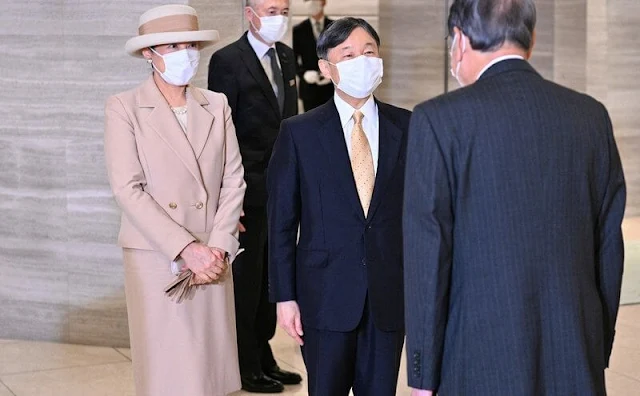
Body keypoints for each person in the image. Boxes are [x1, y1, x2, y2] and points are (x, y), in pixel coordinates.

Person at [403, 1, 627, 395]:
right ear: (532, 38)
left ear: (459, 39)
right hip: (574, 353)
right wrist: (594, 344)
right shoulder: (590, 116)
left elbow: (428, 255)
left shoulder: (438, 120)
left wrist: (423, 372)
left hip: (476, 358)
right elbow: (609, 245)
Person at [104, 4, 246, 396]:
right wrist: (186, 248)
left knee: (211, 368)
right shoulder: (125, 107)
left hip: (215, 254)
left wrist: (216, 248)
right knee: (169, 370)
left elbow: (233, 179)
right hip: (157, 253)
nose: (184, 54)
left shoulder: (216, 103)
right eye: (171, 45)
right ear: (149, 54)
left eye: (190, 44)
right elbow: (127, 188)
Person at [268, 17, 412, 396]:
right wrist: (285, 297)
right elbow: (282, 222)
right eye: (347, 54)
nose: (361, 61)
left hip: (388, 298)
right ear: (326, 68)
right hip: (323, 297)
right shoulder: (299, 133)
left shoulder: (409, 127)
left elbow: (421, 218)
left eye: (369, 52)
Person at [207, 0, 301, 393]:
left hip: (282, 188)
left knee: (271, 278)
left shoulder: (288, 56)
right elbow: (218, 134)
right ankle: (244, 364)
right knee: (246, 284)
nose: (278, 15)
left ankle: (264, 357)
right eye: (270, 8)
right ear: (250, 13)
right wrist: (225, 202)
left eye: (283, 8)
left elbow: (293, 121)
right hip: (245, 191)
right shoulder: (228, 60)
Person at [293, 0, 334, 111]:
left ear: (323, 2)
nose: (311, 2)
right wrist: (304, 74)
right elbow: (292, 59)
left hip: (331, 87)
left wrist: (332, 73)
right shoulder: (298, 30)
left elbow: (342, 55)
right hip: (309, 89)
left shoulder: (335, 28)